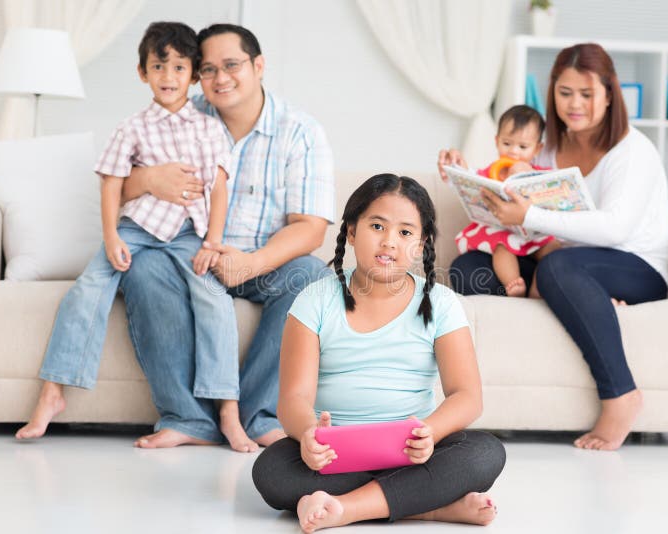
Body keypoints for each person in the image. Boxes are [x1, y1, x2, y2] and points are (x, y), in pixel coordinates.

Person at [16, 22, 256, 451]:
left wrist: (212, 242)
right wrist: (111, 237)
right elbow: (111, 185)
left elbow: (219, 187)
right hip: (136, 229)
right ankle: (53, 393)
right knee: (86, 290)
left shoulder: (207, 128)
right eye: (158, 66)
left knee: (214, 300)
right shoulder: (132, 128)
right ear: (143, 73)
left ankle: (228, 412)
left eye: (179, 67)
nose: (168, 76)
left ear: (193, 73)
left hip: (188, 233)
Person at [439, 43, 668, 451]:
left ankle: (621, 395)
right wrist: (462, 172)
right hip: (557, 257)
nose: (574, 104)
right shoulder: (547, 147)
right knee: (468, 269)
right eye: (565, 93)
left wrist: (527, 217)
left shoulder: (633, 151)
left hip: (633, 265)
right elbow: (509, 184)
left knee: (558, 270)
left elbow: (616, 229)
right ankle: (583, 298)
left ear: (609, 94)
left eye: (586, 94)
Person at [114, 23, 335, 449]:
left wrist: (251, 262)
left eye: (231, 65)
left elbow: (311, 228)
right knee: (142, 266)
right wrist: (146, 179)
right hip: (187, 254)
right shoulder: (179, 114)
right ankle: (188, 419)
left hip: (259, 262)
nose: (220, 78)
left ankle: (259, 415)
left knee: (310, 275)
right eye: (208, 69)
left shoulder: (301, 131)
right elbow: (115, 182)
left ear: (259, 65)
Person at [252, 174, 506, 533]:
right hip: (336, 454)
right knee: (271, 471)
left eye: (405, 233)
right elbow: (293, 397)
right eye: (377, 226)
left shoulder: (441, 303)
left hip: (413, 453)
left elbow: (467, 396)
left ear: (420, 245)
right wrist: (309, 435)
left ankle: (345, 508)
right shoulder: (314, 300)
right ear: (352, 232)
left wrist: (430, 433)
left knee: (485, 453)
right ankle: (429, 507)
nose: (389, 241)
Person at [450, 105, 559, 297]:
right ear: (496, 141)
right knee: (502, 248)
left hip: (533, 234)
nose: (513, 152)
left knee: (554, 248)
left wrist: (528, 175)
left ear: (537, 149)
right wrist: (459, 169)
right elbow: (469, 181)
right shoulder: (489, 172)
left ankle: (538, 286)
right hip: (503, 232)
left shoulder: (539, 173)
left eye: (523, 147)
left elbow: (553, 190)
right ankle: (514, 283)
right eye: (507, 144)